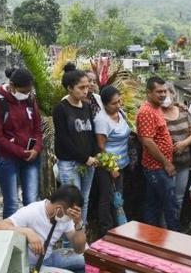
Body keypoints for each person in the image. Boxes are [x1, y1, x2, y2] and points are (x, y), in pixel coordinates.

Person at [0, 184, 87, 273]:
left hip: (49, 257)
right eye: (71, 214)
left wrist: (78, 223)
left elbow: (79, 249)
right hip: (32, 265)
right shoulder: (32, 211)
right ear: (59, 208)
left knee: (89, 261)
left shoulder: (66, 216)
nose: (70, 217)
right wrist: (28, 232)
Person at [0, 67, 43, 219]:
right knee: (11, 203)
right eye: (23, 91)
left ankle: (32, 239)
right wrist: (21, 152)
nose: (26, 94)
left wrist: (36, 149)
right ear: (12, 85)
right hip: (7, 159)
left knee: (31, 201)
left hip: (31, 158)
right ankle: (11, 239)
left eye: (28, 91)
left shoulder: (31, 100)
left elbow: (38, 129)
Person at [53, 63, 98, 225]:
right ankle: (68, 240)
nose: (86, 90)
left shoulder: (87, 106)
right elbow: (64, 140)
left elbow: (91, 134)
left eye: (87, 86)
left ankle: (80, 233)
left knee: (84, 199)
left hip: (88, 162)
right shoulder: (61, 109)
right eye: (81, 87)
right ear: (70, 88)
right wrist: (85, 157)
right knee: (72, 202)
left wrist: (94, 154)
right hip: (69, 163)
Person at [137, 77, 179, 231]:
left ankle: (153, 239)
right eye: (158, 92)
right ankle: (175, 241)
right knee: (170, 205)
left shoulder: (157, 107)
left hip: (159, 166)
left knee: (153, 204)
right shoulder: (147, 111)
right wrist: (166, 163)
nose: (162, 94)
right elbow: (147, 141)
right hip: (157, 167)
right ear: (149, 92)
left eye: (164, 91)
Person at [93, 86, 131, 234]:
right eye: (114, 103)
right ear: (105, 104)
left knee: (118, 198)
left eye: (119, 101)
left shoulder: (120, 113)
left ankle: (119, 228)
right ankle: (106, 230)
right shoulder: (102, 120)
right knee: (106, 197)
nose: (118, 105)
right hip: (108, 166)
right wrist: (111, 168)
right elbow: (101, 148)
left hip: (122, 162)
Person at [162, 83, 191, 223]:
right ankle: (162, 231)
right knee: (165, 199)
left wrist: (184, 143)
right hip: (165, 165)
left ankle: (174, 228)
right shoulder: (156, 113)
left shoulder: (183, 111)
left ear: (173, 94)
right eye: (162, 93)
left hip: (184, 162)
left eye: (167, 92)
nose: (165, 96)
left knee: (178, 197)